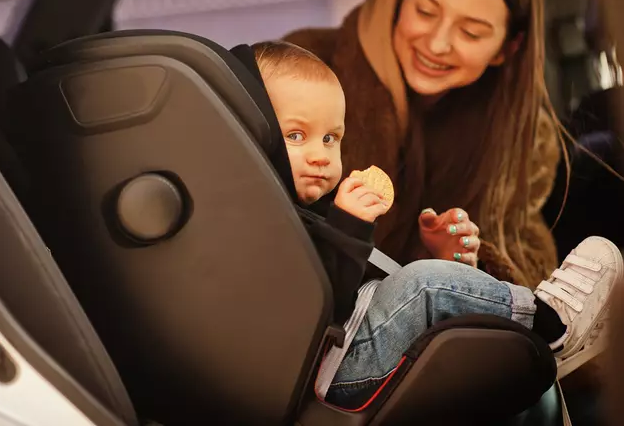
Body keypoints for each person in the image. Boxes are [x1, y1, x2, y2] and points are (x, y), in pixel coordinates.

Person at [240, 39, 622, 408]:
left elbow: (360, 292)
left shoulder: (310, 212)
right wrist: (347, 229)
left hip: (344, 351)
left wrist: (441, 261)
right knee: (422, 285)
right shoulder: (256, 224)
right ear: (253, 136)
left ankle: (523, 348)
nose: (321, 155)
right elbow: (315, 302)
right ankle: (550, 326)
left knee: (423, 282)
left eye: (330, 138)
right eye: (295, 135)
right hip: (329, 374)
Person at [283, 0, 562, 289]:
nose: (436, 44)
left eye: (471, 33)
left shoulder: (526, 141)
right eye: (425, 12)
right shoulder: (307, 63)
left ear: (506, 49)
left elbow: (526, 265)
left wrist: (459, 266)